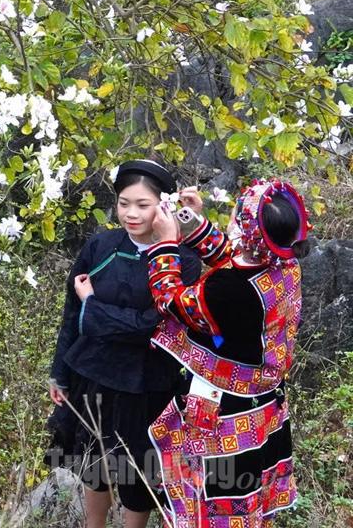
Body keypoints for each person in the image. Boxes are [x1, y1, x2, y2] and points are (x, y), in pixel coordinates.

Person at [143, 180, 308, 526]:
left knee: (213, 500)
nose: (232, 218)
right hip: (264, 404)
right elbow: (233, 256)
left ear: (246, 228)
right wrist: (190, 221)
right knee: (250, 498)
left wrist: (165, 243)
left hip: (223, 409)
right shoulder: (284, 263)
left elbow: (171, 301)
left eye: (237, 214)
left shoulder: (226, 290)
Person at [48, 159, 201, 528]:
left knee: (138, 472)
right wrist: (60, 373)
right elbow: (71, 315)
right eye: (123, 203)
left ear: (163, 205)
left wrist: (93, 305)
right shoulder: (101, 246)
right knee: (93, 464)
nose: (131, 214)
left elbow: (150, 326)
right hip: (95, 375)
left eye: (143, 205)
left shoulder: (181, 261)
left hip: (147, 383)